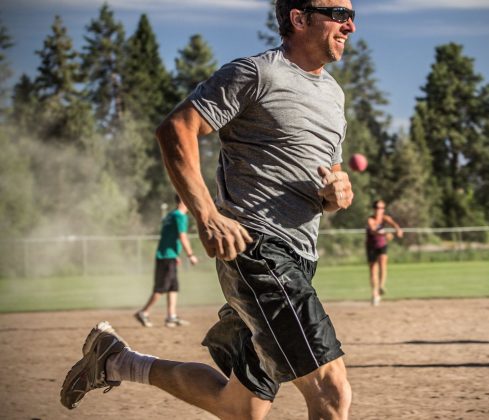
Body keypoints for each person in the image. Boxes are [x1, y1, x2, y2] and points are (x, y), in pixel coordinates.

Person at [60, 1, 356, 419]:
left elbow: (331, 182)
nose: (351, 25)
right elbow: (175, 130)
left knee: (240, 406)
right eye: (339, 14)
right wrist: (207, 215)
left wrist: (338, 194)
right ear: (299, 17)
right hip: (260, 252)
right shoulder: (256, 73)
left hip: (301, 258)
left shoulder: (334, 94)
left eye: (351, 14)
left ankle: (116, 360)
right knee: (331, 393)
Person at [134, 194, 198, 328]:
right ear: (183, 201)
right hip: (166, 257)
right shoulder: (180, 216)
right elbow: (182, 236)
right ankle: (143, 312)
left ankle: (171, 317)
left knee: (173, 287)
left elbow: (168, 237)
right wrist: (190, 254)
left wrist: (175, 254)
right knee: (161, 288)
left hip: (167, 255)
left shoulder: (171, 215)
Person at [366, 199, 403, 306]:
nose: (380, 210)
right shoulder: (371, 219)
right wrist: (385, 234)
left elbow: (393, 223)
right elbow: (373, 230)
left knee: (383, 265)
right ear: (374, 209)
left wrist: (398, 230)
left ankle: (381, 286)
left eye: (382, 208)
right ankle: (375, 293)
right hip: (371, 246)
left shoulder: (384, 218)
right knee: (373, 270)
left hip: (382, 245)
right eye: (378, 208)